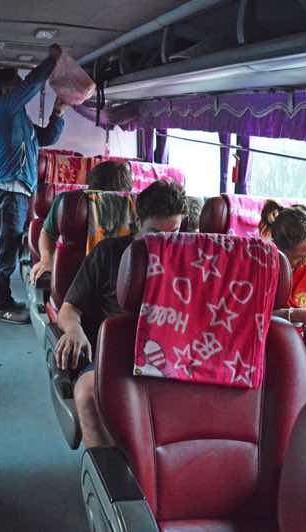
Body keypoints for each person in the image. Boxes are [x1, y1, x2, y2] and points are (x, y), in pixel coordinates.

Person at [54, 181, 187, 448]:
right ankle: (108, 479)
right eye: (154, 234)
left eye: (172, 233)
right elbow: (69, 309)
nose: (163, 244)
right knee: (88, 392)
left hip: (171, 356)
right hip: (114, 356)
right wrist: (73, 330)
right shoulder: (108, 254)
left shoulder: (191, 259)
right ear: (138, 222)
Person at [0, 44, 67, 324]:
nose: (22, 88)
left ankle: (1, 298)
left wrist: (58, 113)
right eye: (17, 84)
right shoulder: (1, 110)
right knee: (5, 248)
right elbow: (32, 86)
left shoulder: (19, 118)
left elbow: (45, 138)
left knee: (7, 246)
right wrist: (52, 62)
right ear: (7, 89)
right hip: (7, 192)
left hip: (18, 192)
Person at [29, 160, 133, 283]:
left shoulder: (69, 202)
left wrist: (46, 259)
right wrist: (47, 260)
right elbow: (46, 233)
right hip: (124, 281)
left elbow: (46, 234)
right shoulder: (138, 208)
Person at [260, 200, 306, 324]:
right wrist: (293, 314)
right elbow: (256, 314)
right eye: (298, 257)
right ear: (278, 249)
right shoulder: (262, 266)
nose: (305, 262)